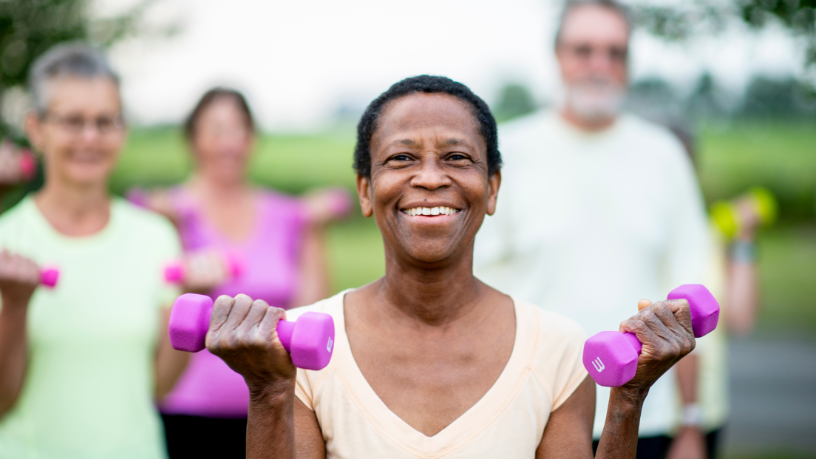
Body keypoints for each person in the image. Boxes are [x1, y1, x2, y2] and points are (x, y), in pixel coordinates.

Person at [189, 75, 699, 458]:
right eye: (401, 159)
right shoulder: (299, 352)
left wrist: (628, 400)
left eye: (457, 157)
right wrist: (269, 391)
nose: (430, 178)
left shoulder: (558, 349)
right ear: (366, 190)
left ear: (493, 188)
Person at [474, 2, 712, 458]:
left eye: (614, 52)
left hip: (648, 416)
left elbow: (689, 297)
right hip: (527, 414)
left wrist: (691, 422)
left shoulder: (663, 157)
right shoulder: (504, 152)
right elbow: (471, 289)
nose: (599, 65)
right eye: (583, 50)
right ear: (558, 56)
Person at [132, 88, 342, 458]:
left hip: (275, 410)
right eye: (216, 130)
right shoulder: (166, 214)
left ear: (251, 139)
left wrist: (312, 231)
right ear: (193, 140)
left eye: (238, 129)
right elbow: (148, 320)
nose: (228, 142)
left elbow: (310, 313)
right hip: (189, 415)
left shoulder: (287, 214)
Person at [0, 44, 187, 458]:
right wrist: (14, 306)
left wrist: (199, 295)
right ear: (36, 128)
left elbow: (161, 385)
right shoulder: (5, 243)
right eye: (72, 121)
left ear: (123, 129)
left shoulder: (157, 238)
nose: (90, 137)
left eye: (105, 122)